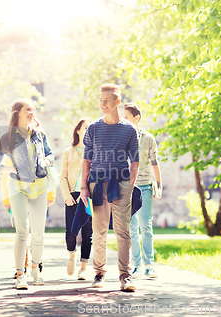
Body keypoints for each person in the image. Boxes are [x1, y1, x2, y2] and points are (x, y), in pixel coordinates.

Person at [0, 98, 56, 290]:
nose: (32, 112)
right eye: (28, 109)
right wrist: (10, 170)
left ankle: (35, 268)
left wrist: (46, 162)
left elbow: (51, 154)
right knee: (22, 231)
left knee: (38, 234)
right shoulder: (7, 138)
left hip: (40, 186)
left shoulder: (39, 134)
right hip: (17, 186)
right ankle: (20, 274)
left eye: (33, 109)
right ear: (17, 112)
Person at [79, 84, 139, 292]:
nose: (102, 103)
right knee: (99, 230)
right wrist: (84, 186)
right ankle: (99, 273)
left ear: (117, 102)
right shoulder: (94, 128)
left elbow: (135, 160)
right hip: (97, 182)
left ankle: (125, 276)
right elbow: (86, 158)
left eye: (106, 100)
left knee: (123, 231)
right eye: (100, 100)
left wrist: (130, 184)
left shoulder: (129, 129)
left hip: (121, 183)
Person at [122, 103, 162, 279]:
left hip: (145, 185)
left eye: (127, 117)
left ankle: (149, 265)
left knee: (146, 225)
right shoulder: (121, 137)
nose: (123, 120)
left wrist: (158, 184)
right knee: (132, 227)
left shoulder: (148, 138)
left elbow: (155, 162)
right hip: (127, 187)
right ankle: (136, 265)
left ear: (136, 118)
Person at [60, 117, 93, 280]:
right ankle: (72, 256)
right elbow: (63, 177)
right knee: (71, 232)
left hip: (88, 196)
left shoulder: (94, 151)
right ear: (78, 130)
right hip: (72, 196)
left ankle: (84, 268)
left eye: (89, 128)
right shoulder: (68, 152)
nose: (87, 130)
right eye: (85, 127)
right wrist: (67, 196)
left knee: (88, 234)